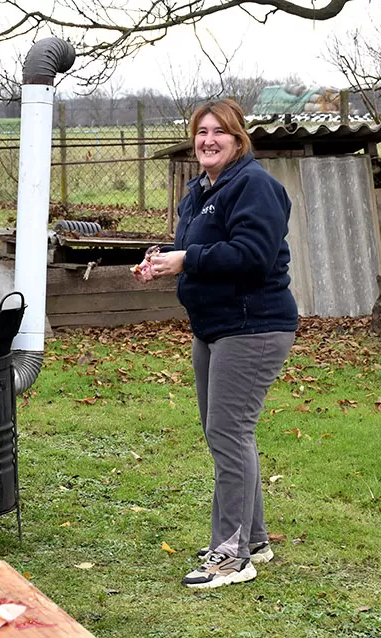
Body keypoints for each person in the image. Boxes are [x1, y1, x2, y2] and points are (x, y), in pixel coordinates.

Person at [134, 98, 298, 589]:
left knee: (229, 433)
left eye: (219, 131)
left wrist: (186, 259)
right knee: (226, 433)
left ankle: (231, 555)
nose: (208, 140)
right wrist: (164, 261)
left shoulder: (255, 186)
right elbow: (201, 249)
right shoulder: (200, 190)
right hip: (213, 326)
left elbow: (252, 255)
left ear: (238, 138)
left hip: (253, 325)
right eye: (201, 131)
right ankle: (253, 539)